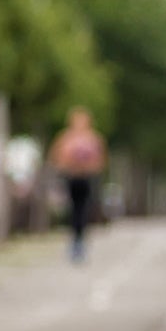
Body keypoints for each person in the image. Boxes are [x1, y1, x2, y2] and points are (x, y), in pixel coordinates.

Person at [49, 106, 106, 262]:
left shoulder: (93, 138)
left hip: (87, 179)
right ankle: (74, 240)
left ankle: (81, 240)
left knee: (84, 210)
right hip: (71, 178)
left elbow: (100, 160)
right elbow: (57, 158)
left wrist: (89, 167)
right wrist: (69, 166)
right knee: (72, 210)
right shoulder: (66, 138)